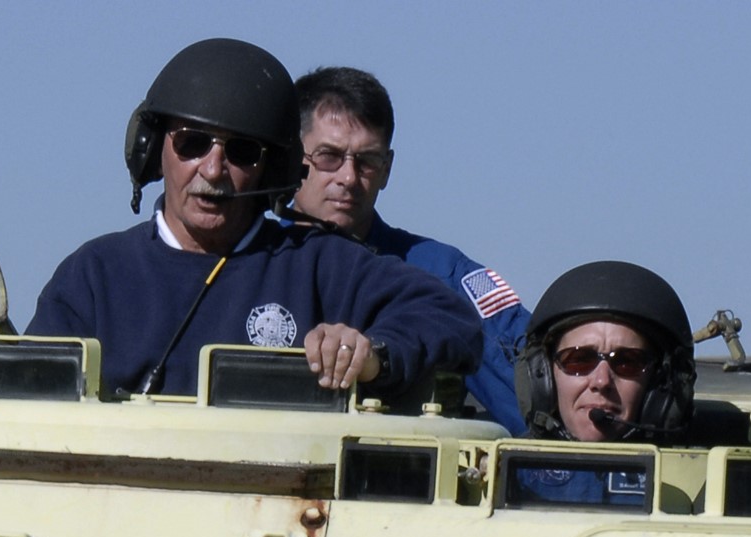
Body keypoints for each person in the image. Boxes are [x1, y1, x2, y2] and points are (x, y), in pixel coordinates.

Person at [27, 38, 480, 401]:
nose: (213, 169)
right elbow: (26, 392)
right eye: (192, 143)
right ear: (152, 150)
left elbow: (452, 319)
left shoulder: (319, 265)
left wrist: (372, 355)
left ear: (275, 169)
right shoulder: (94, 275)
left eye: (241, 152)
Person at [285, 66, 531, 431]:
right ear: (293, 158)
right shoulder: (246, 263)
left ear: (387, 169)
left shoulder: (442, 275)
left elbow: (538, 400)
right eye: (329, 156)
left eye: (367, 161)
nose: (348, 177)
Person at [516, 260, 702, 445]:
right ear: (543, 375)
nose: (602, 381)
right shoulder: (502, 461)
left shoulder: (710, 464)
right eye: (579, 360)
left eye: (627, 363)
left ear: (660, 382)